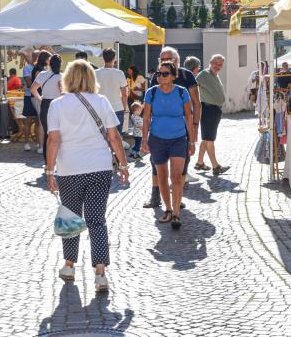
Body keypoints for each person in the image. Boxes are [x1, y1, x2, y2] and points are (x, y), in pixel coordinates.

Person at [45, 59, 129, 292]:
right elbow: (114, 137)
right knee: (96, 219)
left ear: (67, 79)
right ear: (92, 78)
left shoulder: (57, 105)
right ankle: (100, 273)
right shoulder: (101, 101)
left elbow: (54, 140)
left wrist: (50, 170)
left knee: (70, 216)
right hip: (99, 167)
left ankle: (69, 265)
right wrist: (123, 165)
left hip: (69, 168)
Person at [144, 46, 200, 209]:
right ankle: (156, 196)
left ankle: (177, 197)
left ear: (176, 60)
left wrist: (195, 127)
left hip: (181, 131)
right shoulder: (158, 76)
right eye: (161, 59)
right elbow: (150, 101)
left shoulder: (187, 76)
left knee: (182, 165)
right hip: (159, 131)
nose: (164, 62)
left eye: (167, 58)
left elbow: (196, 104)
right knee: (156, 164)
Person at [141, 61, 194, 229]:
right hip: (157, 139)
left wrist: (191, 141)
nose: (160, 76)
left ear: (173, 76)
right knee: (162, 177)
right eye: (159, 73)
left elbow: (189, 117)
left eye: (165, 74)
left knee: (176, 177)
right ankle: (168, 209)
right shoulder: (151, 93)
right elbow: (146, 118)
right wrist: (144, 140)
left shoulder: (181, 92)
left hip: (178, 139)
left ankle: (177, 213)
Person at [195, 54, 230, 175]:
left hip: (214, 110)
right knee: (210, 139)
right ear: (210, 61)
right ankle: (216, 166)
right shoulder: (204, 75)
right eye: (215, 63)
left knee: (207, 138)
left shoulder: (215, 75)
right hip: (208, 110)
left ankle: (199, 163)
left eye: (220, 64)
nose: (217, 66)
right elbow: (193, 86)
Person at [32, 54, 63, 159]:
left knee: (47, 135)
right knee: (59, 134)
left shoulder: (42, 74)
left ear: (49, 63)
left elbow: (33, 89)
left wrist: (41, 99)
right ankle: (58, 161)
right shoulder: (62, 77)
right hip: (58, 105)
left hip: (45, 104)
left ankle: (47, 162)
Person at [94, 48, 128, 131]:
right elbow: (124, 94)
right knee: (118, 137)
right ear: (114, 58)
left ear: (103, 58)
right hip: (117, 108)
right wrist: (125, 108)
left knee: (102, 137)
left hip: (101, 108)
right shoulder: (120, 73)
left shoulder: (95, 73)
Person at [31, 50, 52, 154]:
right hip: (38, 96)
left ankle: (40, 144)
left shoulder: (40, 68)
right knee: (41, 122)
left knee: (41, 121)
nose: (50, 60)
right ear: (46, 59)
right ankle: (41, 146)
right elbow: (36, 85)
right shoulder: (39, 69)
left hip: (39, 96)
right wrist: (40, 98)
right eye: (49, 58)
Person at [22, 50, 40, 151]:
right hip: (29, 96)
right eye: (37, 57)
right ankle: (26, 143)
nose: (38, 59)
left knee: (38, 120)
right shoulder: (27, 68)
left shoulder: (41, 69)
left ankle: (38, 142)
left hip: (38, 96)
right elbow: (29, 84)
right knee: (28, 121)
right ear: (33, 57)